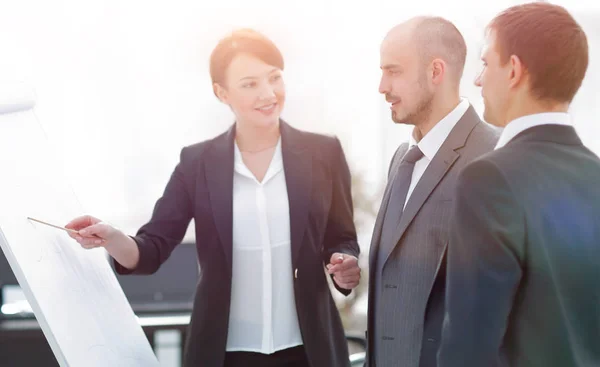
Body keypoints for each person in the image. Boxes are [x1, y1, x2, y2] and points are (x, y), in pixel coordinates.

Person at [66, 28, 361, 367]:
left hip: (310, 350)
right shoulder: (197, 164)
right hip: (224, 353)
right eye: (250, 84)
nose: (268, 93)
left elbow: (342, 237)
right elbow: (151, 248)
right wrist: (112, 237)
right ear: (222, 93)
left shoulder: (324, 152)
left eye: (274, 78)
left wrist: (344, 263)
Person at [438, 3, 600, 367]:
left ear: (513, 70)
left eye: (484, 63)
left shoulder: (488, 179)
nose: (478, 80)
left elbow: (468, 348)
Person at [366, 16, 498, 367]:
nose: (381, 85)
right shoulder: (400, 159)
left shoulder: (497, 155)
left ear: (436, 71)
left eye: (393, 71)